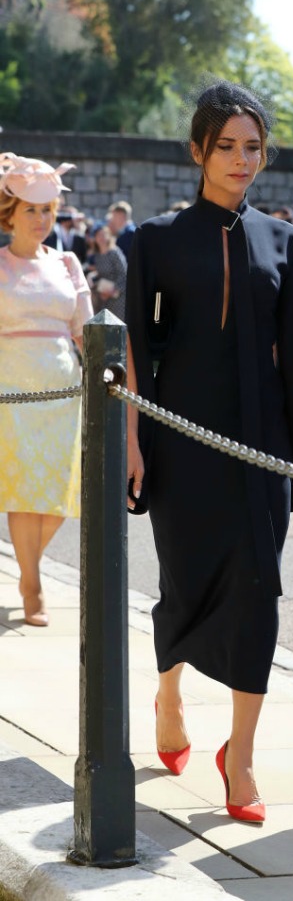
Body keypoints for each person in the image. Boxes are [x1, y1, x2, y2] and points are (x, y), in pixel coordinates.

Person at [125, 81, 293, 825]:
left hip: (261, 452)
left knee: (258, 593)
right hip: (180, 447)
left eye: (253, 147)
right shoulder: (153, 241)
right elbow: (134, 351)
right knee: (184, 585)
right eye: (227, 147)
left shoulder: (286, 242)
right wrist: (134, 445)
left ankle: (240, 755)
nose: (242, 160)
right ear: (198, 151)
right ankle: (169, 692)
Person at [0, 152, 93, 626]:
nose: (41, 219)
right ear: (10, 213)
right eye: (31, 210)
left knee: (58, 493)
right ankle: (31, 584)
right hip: (12, 395)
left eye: (48, 211)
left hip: (63, 394)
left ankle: (29, 568)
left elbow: (87, 330)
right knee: (23, 491)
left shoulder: (68, 262)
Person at [87, 221, 127, 320]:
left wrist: (113, 290)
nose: (101, 238)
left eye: (104, 235)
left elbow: (123, 273)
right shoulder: (96, 255)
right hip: (104, 297)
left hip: (118, 297)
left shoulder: (114, 252)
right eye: (98, 235)